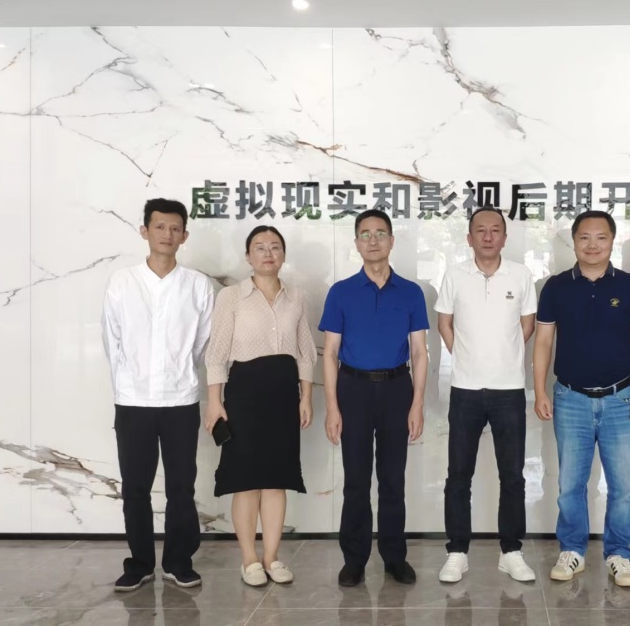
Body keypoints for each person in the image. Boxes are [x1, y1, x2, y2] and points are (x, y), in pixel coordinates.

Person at [533, 210, 630, 589]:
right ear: (573, 242)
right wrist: (540, 390)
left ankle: (619, 554)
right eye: (584, 237)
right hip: (570, 398)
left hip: (622, 398)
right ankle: (572, 550)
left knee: (622, 486)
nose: (592, 245)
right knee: (570, 483)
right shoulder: (555, 287)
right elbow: (543, 342)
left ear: (612, 241)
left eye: (601, 237)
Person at [102, 198, 215, 593]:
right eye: (160, 226)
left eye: (175, 228)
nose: (167, 234)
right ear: (144, 231)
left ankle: (178, 562)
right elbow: (112, 341)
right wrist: (128, 383)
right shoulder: (122, 282)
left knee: (181, 486)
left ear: (185, 235)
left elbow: (202, 345)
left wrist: (180, 374)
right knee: (135, 486)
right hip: (133, 401)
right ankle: (139, 564)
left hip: (180, 400)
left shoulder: (198, 286)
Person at [320, 209, 430, 588]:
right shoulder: (341, 292)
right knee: (355, 479)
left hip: (397, 388)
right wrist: (332, 407)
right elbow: (329, 353)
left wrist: (417, 403)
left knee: (392, 479)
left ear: (392, 241)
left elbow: (419, 352)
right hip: (353, 389)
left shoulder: (411, 292)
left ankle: (394, 557)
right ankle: (354, 559)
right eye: (365, 234)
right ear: (356, 243)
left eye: (380, 233)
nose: (373, 240)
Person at [203, 226, 317, 587]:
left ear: (283, 254)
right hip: (244, 396)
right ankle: (249, 559)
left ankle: (271, 557)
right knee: (246, 481)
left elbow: (305, 352)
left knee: (276, 479)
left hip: (283, 395)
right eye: (260, 247)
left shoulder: (297, 297)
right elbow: (217, 354)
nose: (268, 253)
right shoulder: (231, 297)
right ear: (248, 256)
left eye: (275, 247)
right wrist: (215, 402)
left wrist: (306, 397)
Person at [435, 207, 538, 584]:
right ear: (469, 237)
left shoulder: (521, 275)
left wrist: (504, 356)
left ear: (505, 237)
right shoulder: (455, 274)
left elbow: (527, 325)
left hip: (509, 390)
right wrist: (464, 356)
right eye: (481, 230)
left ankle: (511, 551)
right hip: (465, 390)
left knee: (512, 476)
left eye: (496, 230)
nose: (488, 236)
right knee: (458, 475)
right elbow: (444, 322)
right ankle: (457, 552)